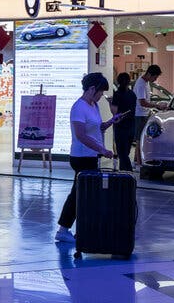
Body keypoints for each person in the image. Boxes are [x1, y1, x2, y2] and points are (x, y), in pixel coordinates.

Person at [55, 72, 125, 243]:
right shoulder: (78, 107)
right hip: (81, 157)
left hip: (91, 156)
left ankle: (71, 229)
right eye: (100, 92)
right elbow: (81, 135)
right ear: (92, 88)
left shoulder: (93, 106)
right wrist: (103, 149)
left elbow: (97, 128)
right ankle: (65, 230)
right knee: (79, 194)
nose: (102, 96)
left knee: (81, 194)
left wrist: (111, 122)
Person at [133, 65, 167, 168]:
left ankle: (135, 161)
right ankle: (139, 164)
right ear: (149, 74)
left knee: (140, 138)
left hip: (144, 113)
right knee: (139, 139)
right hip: (140, 114)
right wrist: (157, 105)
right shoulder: (141, 85)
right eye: (155, 77)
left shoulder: (146, 83)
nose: (155, 80)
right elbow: (142, 102)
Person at [110, 72, 137, 172]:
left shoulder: (117, 95)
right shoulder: (132, 94)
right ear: (129, 82)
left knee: (122, 153)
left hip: (120, 127)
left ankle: (128, 172)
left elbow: (115, 112)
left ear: (118, 82)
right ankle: (123, 173)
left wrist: (110, 102)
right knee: (126, 152)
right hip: (131, 126)